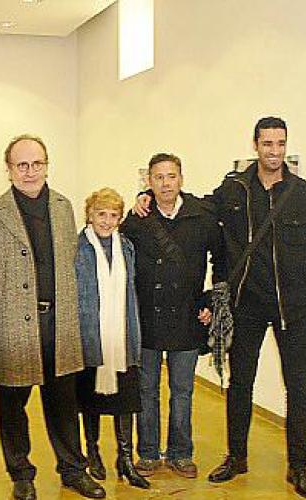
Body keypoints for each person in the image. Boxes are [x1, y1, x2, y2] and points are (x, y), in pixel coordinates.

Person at [135, 118, 306, 499]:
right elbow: (194, 206)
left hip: (294, 309)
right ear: (255, 145)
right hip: (246, 305)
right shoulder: (234, 189)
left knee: (299, 389)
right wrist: (148, 196)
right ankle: (237, 458)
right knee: (239, 384)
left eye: (280, 144)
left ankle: (299, 467)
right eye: (267, 143)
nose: (274, 151)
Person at [0, 134, 105, 500]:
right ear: (9, 170)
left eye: (37, 164)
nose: (30, 171)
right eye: (21, 165)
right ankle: (21, 474)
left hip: (59, 322)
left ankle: (73, 470)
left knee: (63, 402)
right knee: (13, 404)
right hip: (14, 323)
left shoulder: (64, 207)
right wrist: (11, 303)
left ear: (47, 165)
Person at [121, 153, 225, 480]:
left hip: (186, 316)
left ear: (181, 178)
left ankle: (181, 453)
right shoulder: (137, 220)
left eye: (171, 176)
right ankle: (148, 453)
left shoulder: (202, 216)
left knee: (182, 391)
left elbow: (221, 261)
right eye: (159, 177)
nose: (166, 183)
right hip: (146, 318)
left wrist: (211, 301)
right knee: (146, 390)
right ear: (148, 182)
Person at [74, 188, 149, 490]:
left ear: (120, 218)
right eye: (100, 214)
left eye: (113, 215)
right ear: (89, 215)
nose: (106, 221)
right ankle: (92, 452)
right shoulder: (77, 247)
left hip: (122, 338)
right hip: (90, 336)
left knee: (126, 401)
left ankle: (125, 459)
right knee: (90, 401)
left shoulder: (127, 247)